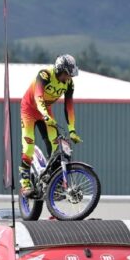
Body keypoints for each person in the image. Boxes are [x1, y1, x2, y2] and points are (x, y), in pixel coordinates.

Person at [18, 54, 81, 197]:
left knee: (55, 146)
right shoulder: (45, 74)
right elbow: (38, 97)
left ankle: (51, 180)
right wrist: (45, 115)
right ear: (59, 70)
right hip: (29, 110)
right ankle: (25, 182)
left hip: (46, 111)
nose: (69, 78)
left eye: (71, 75)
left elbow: (69, 107)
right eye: (67, 74)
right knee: (28, 146)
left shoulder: (69, 83)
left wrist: (72, 130)